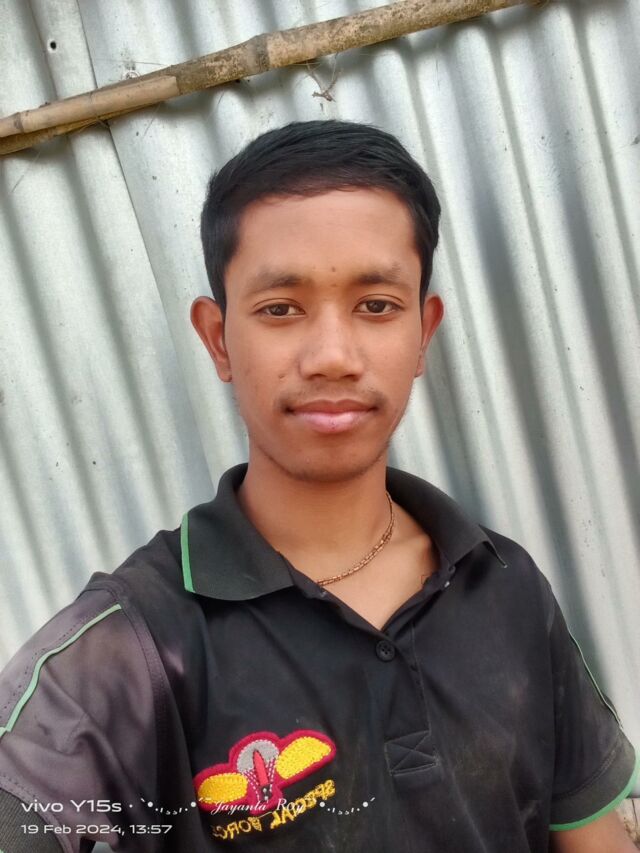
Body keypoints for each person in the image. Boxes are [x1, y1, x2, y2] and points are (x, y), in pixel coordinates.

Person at [0, 119, 636, 853]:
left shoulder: (505, 586)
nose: (333, 355)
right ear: (218, 340)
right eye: (280, 309)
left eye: (377, 305)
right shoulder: (128, 655)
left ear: (423, 333)